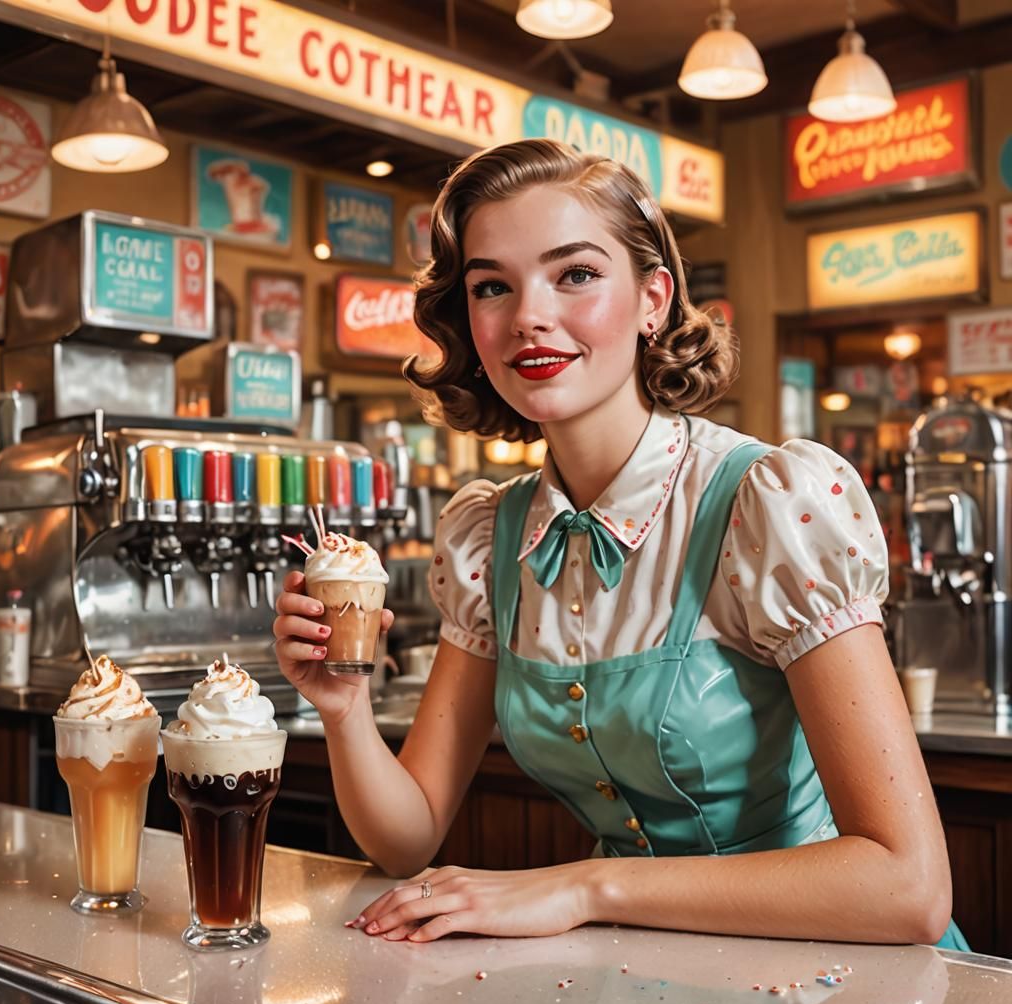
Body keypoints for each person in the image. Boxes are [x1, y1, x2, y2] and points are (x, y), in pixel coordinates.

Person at [273, 138, 966, 949]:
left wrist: (581, 886)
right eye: (492, 286)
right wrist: (345, 705)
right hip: (642, 972)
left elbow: (908, 887)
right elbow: (407, 837)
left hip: (844, 972)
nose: (528, 315)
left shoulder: (765, 504)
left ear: (653, 299)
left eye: (575, 274)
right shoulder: (490, 537)